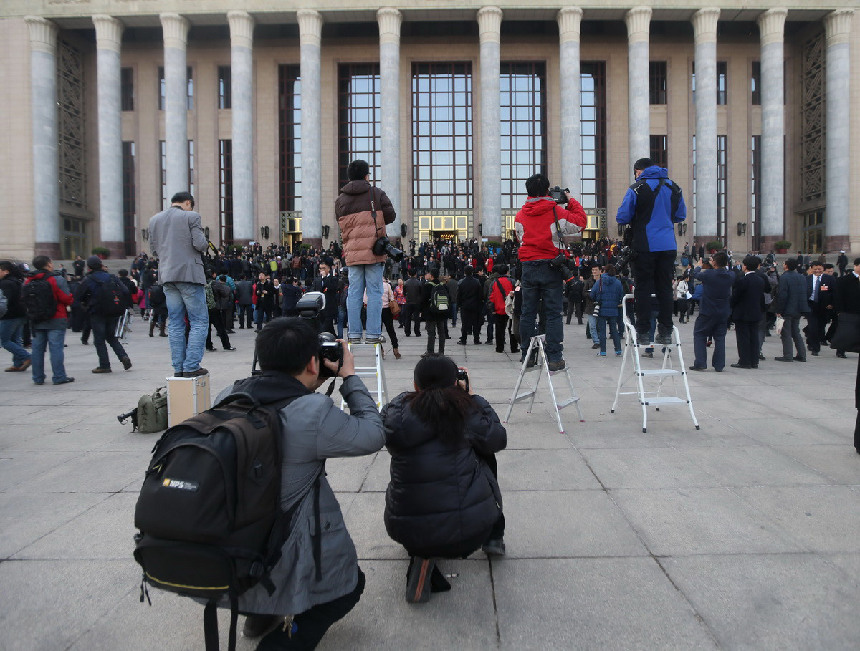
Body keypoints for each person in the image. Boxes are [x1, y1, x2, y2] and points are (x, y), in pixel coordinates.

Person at [213, 317, 384, 648]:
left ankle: (260, 611)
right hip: (283, 541)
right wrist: (349, 377)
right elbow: (373, 434)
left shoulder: (228, 395)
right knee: (347, 589)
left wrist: (307, 381)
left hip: (230, 540)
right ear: (311, 362)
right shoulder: (313, 412)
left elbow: (280, 400)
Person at [382, 355, 506, 603]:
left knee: (414, 467)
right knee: (484, 455)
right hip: (469, 532)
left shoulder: (396, 415)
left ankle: (422, 554)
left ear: (415, 385)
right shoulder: (465, 412)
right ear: (455, 383)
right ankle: (494, 535)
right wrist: (472, 396)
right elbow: (497, 438)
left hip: (405, 529)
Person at [515, 173, 587, 371]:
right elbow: (580, 223)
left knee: (528, 312)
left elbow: (519, 236)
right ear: (547, 191)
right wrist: (570, 200)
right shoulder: (557, 211)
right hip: (551, 265)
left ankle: (527, 355)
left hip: (529, 266)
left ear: (528, 191)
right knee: (553, 312)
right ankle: (554, 356)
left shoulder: (521, 215)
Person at [615, 157, 687, 345]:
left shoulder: (637, 188)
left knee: (643, 287)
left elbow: (622, 217)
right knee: (664, 287)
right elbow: (681, 215)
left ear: (639, 171)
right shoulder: (675, 187)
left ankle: (643, 331)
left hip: (645, 244)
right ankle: (665, 330)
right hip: (668, 245)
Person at [148, 191, 209, 377]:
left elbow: (153, 249)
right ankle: (191, 366)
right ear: (188, 203)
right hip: (189, 274)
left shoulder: (154, 220)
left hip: (167, 275)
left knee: (174, 322)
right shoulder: (191, 216)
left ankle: (178, 368)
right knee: (199, 320)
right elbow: (200, 244)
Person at [335, 159, 396, 344]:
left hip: (352, 253)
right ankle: (372, 334)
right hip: (374, 252)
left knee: (354, 292)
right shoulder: (376, 193)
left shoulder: (340, 199)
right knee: (375, 292)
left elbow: (339, 221)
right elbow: (391, 216)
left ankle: (353, 334)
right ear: (366, 175)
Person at [74, 256, 133, 374]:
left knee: (99, 340)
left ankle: (104, 365)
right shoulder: (112, 277)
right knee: (112, 338)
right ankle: (123, 356)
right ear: (101, 265)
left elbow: (78, 295)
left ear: (89, 267)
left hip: (97, 312)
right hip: (113, 311)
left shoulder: (88, 279)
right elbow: (125, 291)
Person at [23, 256, 74, 385]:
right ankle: (59, 376)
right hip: (56, 317)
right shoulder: (56, 279)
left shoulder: (28, 280)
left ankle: (38, 378)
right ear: (49, 265)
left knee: (37, 349)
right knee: (56, 348)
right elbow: (66, 298)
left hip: (36, 319)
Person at [689, 252, 734, 372]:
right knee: (720, 338)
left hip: (708, 309)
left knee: (700, 335)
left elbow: (695, 274)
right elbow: (728, 270)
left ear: (714, 262)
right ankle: (719, 364)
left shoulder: (709, 274)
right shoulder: (730, 275)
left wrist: (698, 265)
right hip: (723, 310)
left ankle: (700, 362)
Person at [729, 256, 768, 370]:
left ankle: (744, 361)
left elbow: (736, 297)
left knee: (743, 338)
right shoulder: (760, 280)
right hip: (755, 312)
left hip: (742, 313)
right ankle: (754, 361)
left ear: (745, 266)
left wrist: (731, 306)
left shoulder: (743, 280)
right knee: (754, 337)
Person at [773, 258, 809, 362]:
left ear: (786, 266)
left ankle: (788, 355)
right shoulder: (801, 277)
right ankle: (802, 354)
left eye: (784, 263)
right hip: (798, 308)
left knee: (786, 333)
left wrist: (779, 309)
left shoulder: (785, 277)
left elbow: (782, 295)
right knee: (796, 332)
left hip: (788, 309)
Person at [0, 260, 31, 373]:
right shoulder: (17, 281)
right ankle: (18, 364)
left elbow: (5, 301)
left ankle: (27, 357)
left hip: (9, 315)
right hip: (20, 314)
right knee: (15, 339)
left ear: (6, 271)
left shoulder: (5, 283)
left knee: (5, 341)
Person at [590, 264, 625, 357]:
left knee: (602, 331)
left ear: (604, 271)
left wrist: (597, 299)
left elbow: (592, 294)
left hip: (602, 309)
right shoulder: (617, 282)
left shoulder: (600, 282)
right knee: (614, 330)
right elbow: (621, 295)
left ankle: (603, 351)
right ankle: (618, 350)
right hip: (614, 309)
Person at [805, 261, 835, 357]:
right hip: (811, 305)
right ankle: (815, 347)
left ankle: (811, 341)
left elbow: (834, 292)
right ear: (811, 268)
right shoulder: (807, 279)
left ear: (823, 269)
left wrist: (831, 303)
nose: (817, 270)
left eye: (819, 268)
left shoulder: (829, 279)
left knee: (820, 327)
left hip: (824, 306)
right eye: (815, 268)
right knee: (812, 326)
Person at [421, 268, 449, 357]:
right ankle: (441, 352)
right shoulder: (443, 286)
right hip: (441, 312)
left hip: (430, 313)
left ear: (431, 276)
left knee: (431, 333)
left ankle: (430, 352)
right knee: (441, 332)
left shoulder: (427, 286)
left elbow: (423, 300)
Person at [488, 264, 515, 353]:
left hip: (498, 309)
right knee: (512, 329)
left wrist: (492, 309)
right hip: (510, 308)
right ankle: (514, 347)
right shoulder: (512, 281)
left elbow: (491, 297)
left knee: (499, 329)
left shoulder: (494, 282)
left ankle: (499, 347)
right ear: (507, 272)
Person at [457, 266, 483, 345]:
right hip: (475, 305)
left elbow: (459, 295)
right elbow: (480, 295)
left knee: (464, 323)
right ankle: (476, 339)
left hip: (465, 305)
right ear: (472, 272)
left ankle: (464, 339)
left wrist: (459, 304)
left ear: (465, 272)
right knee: (475, 323)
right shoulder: (477, 282)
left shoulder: (462, 282)